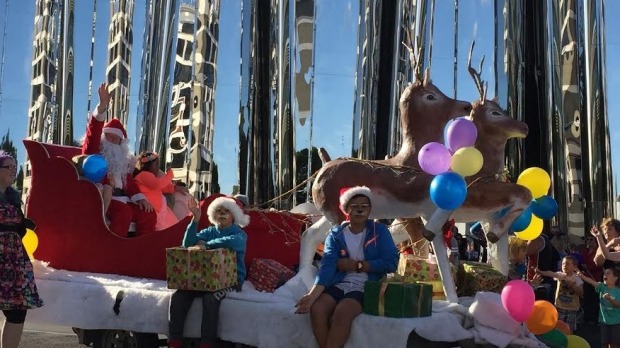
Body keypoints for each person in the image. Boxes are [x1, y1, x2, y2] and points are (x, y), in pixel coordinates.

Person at [295, 186, 398, 348]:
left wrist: (360, 266)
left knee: (342, 313)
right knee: (317, 309)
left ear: (370, 210)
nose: (360, 210)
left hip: (366, 286)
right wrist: (311, 296)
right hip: (339, 283)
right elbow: (327, 267)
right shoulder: (336, 235)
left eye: (364, 206)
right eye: (355, 206)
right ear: (346, 209)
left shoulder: (380, 231)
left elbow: (391, 262)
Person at [168, 196, 248, 348]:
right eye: (219, 210)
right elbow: (187, 244)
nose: (222, 214)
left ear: (234, 215)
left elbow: (233, 242)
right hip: (203, 279)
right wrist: (195, 219)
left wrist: (206, 245)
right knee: (179, 296)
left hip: (231, 282)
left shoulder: (239, 234)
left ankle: (207, 343)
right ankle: (175, 339)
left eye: (227, 211)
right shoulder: (210, 231)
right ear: (213, 214)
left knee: (211, 299)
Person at [82, 83, 156, 237]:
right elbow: (92, 135)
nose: (112, 142)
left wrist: (140, 198)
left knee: (148, 213)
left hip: (124, 198)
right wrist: (102, 107)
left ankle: (141, 251)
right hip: (103, 199)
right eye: (109, 137)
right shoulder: (95, 152)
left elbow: (129, 182)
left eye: (116, 140)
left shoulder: (122, 163)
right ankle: (113, 251)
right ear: (103, 137)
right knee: (123, 213)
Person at [0, 151, 44, 348]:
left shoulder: (14, 196)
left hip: (14, 259)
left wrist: (24, 225)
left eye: (14, 166)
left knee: (17, 311)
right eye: (8, 167)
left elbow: (16, 227)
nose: (13, 170)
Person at [133, 152, 183, 230]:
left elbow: (163, 188)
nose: (158, 168)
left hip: (162, 210)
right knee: (165, 232)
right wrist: (170, 174)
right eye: (156, 165)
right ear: (149, 165)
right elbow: (158, 184)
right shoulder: (143, 175)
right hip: (155, 210)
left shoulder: (151, 177)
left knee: (176, 229)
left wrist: (175, 188)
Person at [536, 255, 584, 332]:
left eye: (568, 264)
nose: (565, 266)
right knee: (557, 327)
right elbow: (551, 273)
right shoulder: (560, 275)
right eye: (563, 264)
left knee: (568, 329)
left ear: (574, 266)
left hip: (571, 309)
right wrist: (541, 272)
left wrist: (572, 285)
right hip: (559, 306)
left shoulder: (577, 278)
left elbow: (581, 292)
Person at [575, 267, 620, 348]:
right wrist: (582, 276)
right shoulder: (602, 287)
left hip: (616, 322)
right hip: (604, 322)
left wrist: (610, 299)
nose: (604, 275)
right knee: (604, 343)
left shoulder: (618, 291)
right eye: (604, 273)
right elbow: (592, 282)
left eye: (608, 273)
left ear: (615, 278)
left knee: (614, 344)